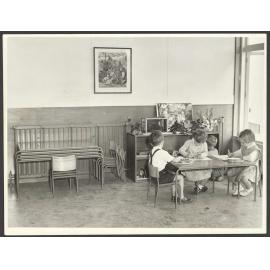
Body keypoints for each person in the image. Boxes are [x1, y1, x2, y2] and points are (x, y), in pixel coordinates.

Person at [149, 130, 192, 203]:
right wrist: (180, 158)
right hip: (160, 178)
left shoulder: (152, 150)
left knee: (173, 173)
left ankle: (174, 196)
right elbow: (175, 160)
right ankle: (181, 197)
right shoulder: (162, 152)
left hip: (153, 177)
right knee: (180, 178)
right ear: (162, 141)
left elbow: (162, 159)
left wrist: (170, 156)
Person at [227, 129, 261, 197]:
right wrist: (233, 154)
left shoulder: (255, 149)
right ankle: (239, 186)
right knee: (229, 173)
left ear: (250, 141)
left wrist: (242, 158)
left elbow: (251, 159)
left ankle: (249, 188)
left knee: (242, 176)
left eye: (243, 143)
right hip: (242, 166)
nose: (241, 144)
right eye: (241, 143)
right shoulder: (244, 146)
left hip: (251, 168)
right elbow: (240, 152)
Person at [178, 129, 212, 193]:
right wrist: (187, 155)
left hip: (200, 163)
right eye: (197, 143)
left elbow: (206, 152)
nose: (199, 145)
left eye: (201, 143)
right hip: (191, 165)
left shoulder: (204, 143)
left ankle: (199, 186)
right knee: (198, 172)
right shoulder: (189, 142)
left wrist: (202, 155)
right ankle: (200, 187)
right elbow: (181, 150)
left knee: (209, 170)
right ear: (194, 138)